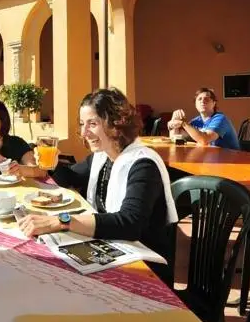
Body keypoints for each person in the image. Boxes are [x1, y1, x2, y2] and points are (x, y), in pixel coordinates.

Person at [16, 88, 179, 268]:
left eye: (92, 124)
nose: (84, 133)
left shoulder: (143, 165)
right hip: (112, 247)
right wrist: (53, 165)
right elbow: (71, 176)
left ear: (117, 123)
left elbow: (130, 223)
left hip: (145, 262)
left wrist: (61, 221)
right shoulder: (103, 157)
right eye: (82, 124)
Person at [167, 87, 240, 150]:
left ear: (214, 103)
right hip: (210, 159)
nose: (202, 101)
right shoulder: (196, 121)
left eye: (207, 99)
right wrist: (173, 123)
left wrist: (183, 123)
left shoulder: (220, 119)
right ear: (195, 104)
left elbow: (204, 140)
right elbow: (175, 137)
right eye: (199, 99)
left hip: (231, 161)